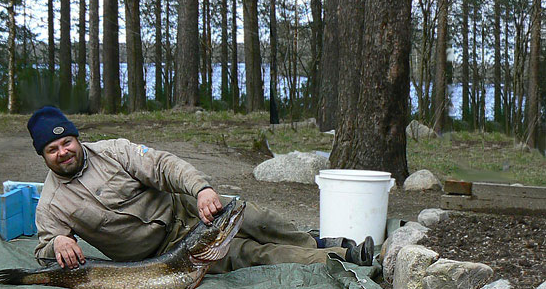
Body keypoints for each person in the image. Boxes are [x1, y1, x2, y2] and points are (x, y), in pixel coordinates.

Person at [27, 106, 375, 272]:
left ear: (76, 138)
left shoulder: (114, 151)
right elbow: (45, 250)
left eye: (67, 142)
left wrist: (202, 189)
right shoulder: (52, 204)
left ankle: (315, 239)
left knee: (255, 217)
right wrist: (58, 242)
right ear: (43, 155)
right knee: (250, 255)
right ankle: (342, 257)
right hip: (167, 254)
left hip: (187, 208)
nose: (63, 152)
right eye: (52, 150)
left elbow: (165, 165)